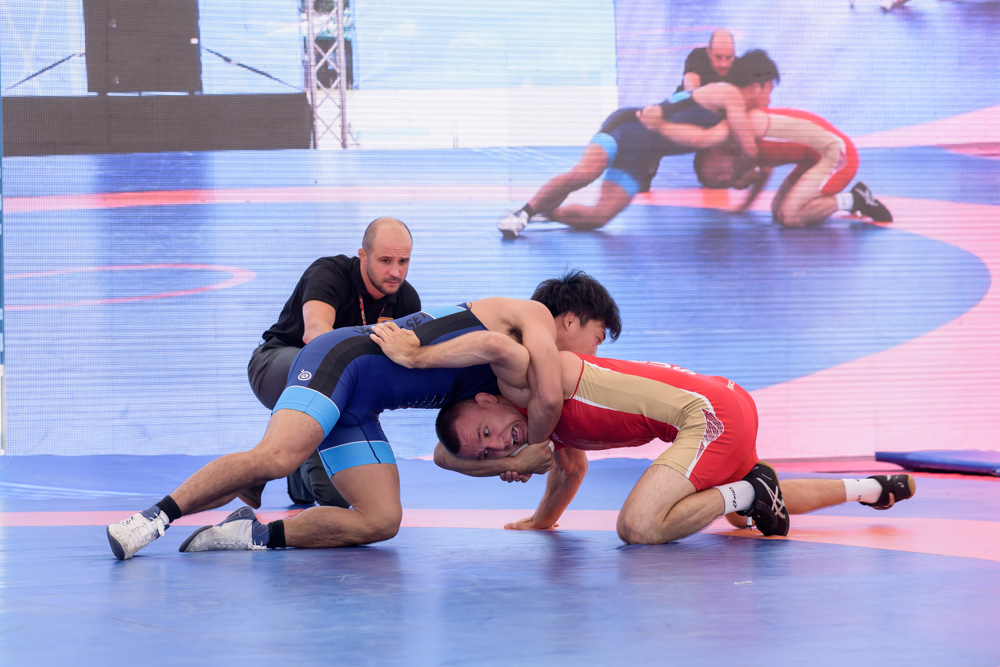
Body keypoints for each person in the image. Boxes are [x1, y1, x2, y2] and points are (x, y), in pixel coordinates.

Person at [106, 296, 571, 560]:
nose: (589, 356)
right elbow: (533, 382)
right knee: (279, 457)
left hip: (360, 410)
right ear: (571, 319)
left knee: (382, 519)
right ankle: (150, 519)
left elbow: (444, 455)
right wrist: (417, 357)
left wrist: (512, 460)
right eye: (596, 337)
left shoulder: (515, 394)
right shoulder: (530, 324)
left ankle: (251, 534)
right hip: (341, 360)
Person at [378, 331, 916, 544]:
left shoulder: (532, 381)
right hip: (724, 402)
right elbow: (445, 457)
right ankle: (872, 488)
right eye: (489, 448)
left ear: (488, 398)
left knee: (637, 527)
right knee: (734, 515)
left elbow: (497, 343)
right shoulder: (541, 428)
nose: (499, 443)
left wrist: (416, 357)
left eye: (488, 432)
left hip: (710, 417)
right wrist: (533, 505)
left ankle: (752, 489)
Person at [497, 49, 778, 236]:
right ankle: (523, 212)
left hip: (643, 155)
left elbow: (708, 146)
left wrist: (741, 174)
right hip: (629, 127)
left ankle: (548, 212)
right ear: (759, 84)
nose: (769, 99)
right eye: (769, 91)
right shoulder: (728, 94)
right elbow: (748, 150)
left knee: (599, 217)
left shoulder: (730, 119)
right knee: (585, 173)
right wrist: (747, 170)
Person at [245, 216, 421, 509]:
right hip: (276, 363)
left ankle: (295, 464)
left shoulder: (406, 301)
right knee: (329, 380)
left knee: (336, 499)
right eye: (386, 260)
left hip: (339, 393)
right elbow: (315, 334)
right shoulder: (330, 272)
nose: (395, 272)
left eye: (403, 261)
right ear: (363, 255)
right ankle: (258, 466)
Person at [692, 108, 893, 225]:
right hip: (814, 159)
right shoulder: (742, 150)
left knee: (790, 215)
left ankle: (855, 199)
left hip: (837, 154)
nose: (727, 177)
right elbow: (765, 169)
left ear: (715, 150)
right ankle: (823, 205)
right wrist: (745, 206)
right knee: (778, 211)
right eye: (722, 182)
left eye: (719, 172)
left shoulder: (742, 133)